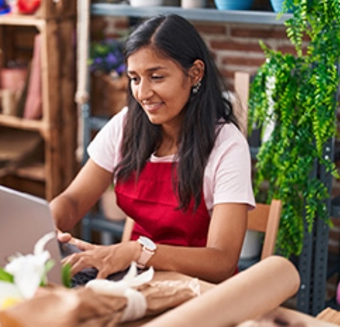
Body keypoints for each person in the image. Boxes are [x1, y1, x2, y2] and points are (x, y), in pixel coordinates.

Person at [51, 14, 255, 284]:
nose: (143, 93)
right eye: (135, 79)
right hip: (135, 277)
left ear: (194, 74)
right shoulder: (125, 125)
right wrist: (48, 226)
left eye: (156, 77)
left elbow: (221, 260)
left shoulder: (226, 145)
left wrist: (138, 252)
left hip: (199, 289)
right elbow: (74, 201)